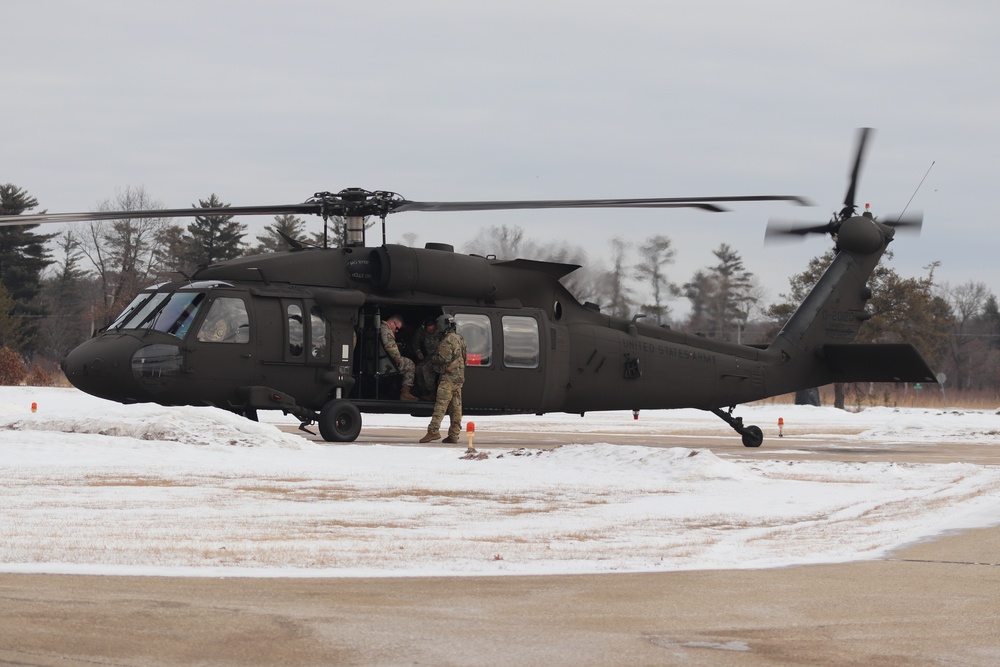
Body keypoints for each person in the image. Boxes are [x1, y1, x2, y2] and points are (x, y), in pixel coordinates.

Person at [419, 314, 467, 444]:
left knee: (441, 404)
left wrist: (433, 359)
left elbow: (442, 359)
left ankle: (433, 431)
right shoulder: (460, 338)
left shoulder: (447, 340)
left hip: (448, 378)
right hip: (459, 377)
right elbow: (464, 357)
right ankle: (454, 434)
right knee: (456, 407)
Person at [379, 314, 417, 401]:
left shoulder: (380, 327)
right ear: (392, 322)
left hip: (383, 359)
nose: (396, 331)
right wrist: (398, 358)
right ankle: (405, 393)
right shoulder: (386, 330)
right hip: (386, 363)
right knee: (410, 364)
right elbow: (390, 347)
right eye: (397, 328)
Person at [411, 316, 443, 399]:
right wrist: (418, 352)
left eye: (433, 329)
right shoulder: (421, 332)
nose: (431, 331)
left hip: (439, 358)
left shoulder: (441, 332)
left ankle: (432, 392)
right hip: (428, 357)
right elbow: (415, 342)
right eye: (429, 329)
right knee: (418, 369)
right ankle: (424, 391)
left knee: (426, 368)